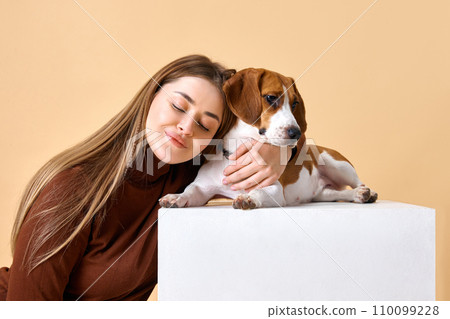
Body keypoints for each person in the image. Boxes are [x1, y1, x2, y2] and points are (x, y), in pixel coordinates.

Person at [0, 55, 292, 300]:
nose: (186, 128)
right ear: (151, 95)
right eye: (178, 106)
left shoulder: (191, 170)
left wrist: (280, 152)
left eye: (205, 125)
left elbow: (278, 109)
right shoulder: (74, 188)